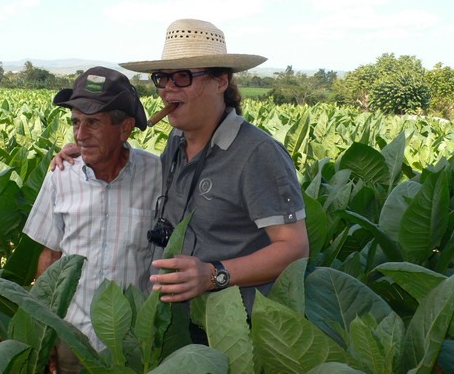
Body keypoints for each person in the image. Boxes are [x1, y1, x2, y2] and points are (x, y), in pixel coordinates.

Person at [54, 19, 308, 330]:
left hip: (236, 330)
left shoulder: (257, 154)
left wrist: (214, 274)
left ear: (221, 81)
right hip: (176, 324)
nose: (167, 89)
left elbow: (294, 249)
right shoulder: (176, 142)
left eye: (183, 77)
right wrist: (94, 149)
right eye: (162, 78)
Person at [23, 66, 161, 373]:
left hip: (134, 342)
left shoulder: (158, 175)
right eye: (75, 122)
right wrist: (45, 333)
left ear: (125, 128)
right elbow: (50, 257)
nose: (80, 135)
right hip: (74, 337)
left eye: (93, 123)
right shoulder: (60, 175)